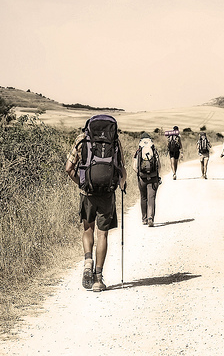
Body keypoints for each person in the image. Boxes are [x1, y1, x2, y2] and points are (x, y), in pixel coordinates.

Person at [65, 115, 127, 293]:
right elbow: (121, 168)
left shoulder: (82, 138)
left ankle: (87, 262)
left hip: (87, 193)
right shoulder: (114, 140)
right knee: (103, 235)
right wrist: (122, 184)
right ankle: (98, 280)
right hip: (107, 194)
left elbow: (68, 168)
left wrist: (81, 183)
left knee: (88, 229)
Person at [133, 132, 161, 227]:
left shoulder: (139, 151)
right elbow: (159, 166)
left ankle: (144, 219)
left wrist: (140, 173)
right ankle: (150, 218)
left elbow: (134, 166)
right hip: (153, 178)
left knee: (143, 197)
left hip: (142, 178)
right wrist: (156, 174)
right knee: (151, 198)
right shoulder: (154, 150)